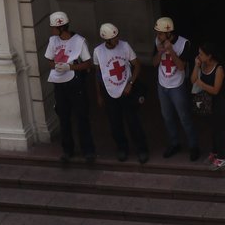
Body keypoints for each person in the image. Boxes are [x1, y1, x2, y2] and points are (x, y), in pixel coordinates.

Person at [92, 22, 148, 164]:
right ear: (107, 40)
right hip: (109, 93)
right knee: (115, 123)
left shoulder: (125, 46)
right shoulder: (98, 51)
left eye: (117, 36)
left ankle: (141, 149)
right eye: (114, 38)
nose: (117, 40)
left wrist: (130, 83)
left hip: (126, 91)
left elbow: (137, 66)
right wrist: (99, 94)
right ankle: (122, 148)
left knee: (133, 122)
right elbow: (98, 75)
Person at [44, 11, 95, 165]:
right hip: (59, 83)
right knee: (64, 118)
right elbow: (49, 60)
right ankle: (67, 150)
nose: (52, 30)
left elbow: (87, 63)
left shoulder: (79, 41)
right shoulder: (53, 41)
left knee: (81, 117)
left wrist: (71, 67)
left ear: (61, 27)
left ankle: (88, 151)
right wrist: (57, 66)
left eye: (54, 27)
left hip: (75, 82)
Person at [153, 17, 200, 160]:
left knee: (184, 117)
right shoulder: (157, 42)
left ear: (169, 33)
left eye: (160, 33)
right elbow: (154, 63)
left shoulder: (184, 43)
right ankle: (174, 143)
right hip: (162, 84)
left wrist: (171, 51)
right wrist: (160, 52)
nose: (158, 36)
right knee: (167, 117)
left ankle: (194, 146)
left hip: (177, 85)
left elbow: (181, 67)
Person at [190, 42, 225, 169]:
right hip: (206, 102)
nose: (198, 56)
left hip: (217, 103)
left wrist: (202, 84)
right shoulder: (202, 65)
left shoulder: (218, 69)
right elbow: (193, 79)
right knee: (212, 129)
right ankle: (214, 152)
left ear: (209, 56)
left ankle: (221, 157)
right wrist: (196, 66)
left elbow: (216, 90)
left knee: (219, 130)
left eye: (201, 54)